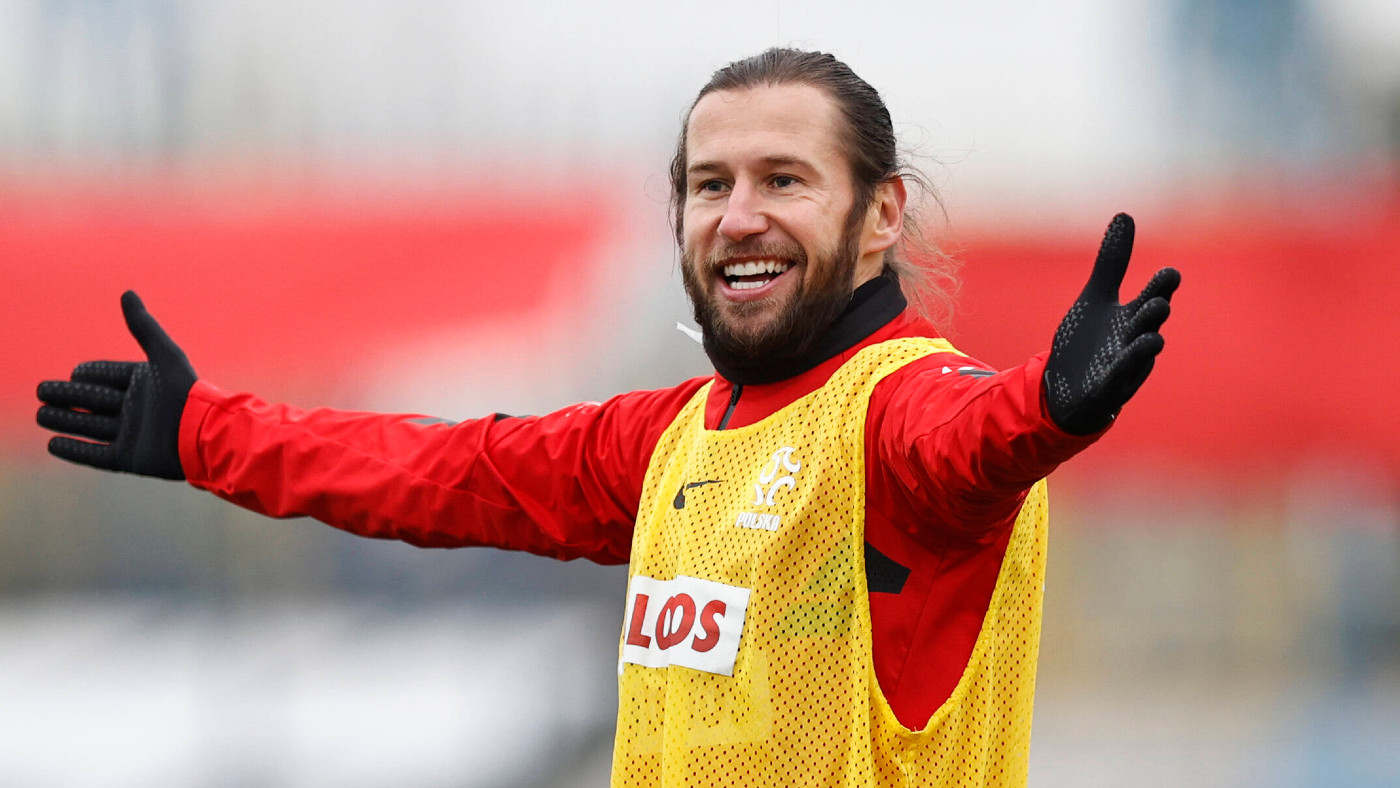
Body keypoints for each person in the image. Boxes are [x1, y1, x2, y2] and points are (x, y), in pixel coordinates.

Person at [36, 48, 1179, 787]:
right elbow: (442, 470)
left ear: (880, 213)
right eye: (709, 184)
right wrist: (206, 433)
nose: (738, 215)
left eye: (783, 179)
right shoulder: (671, 438)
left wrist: (1045, 407)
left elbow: (966, 442)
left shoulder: (898, 408)